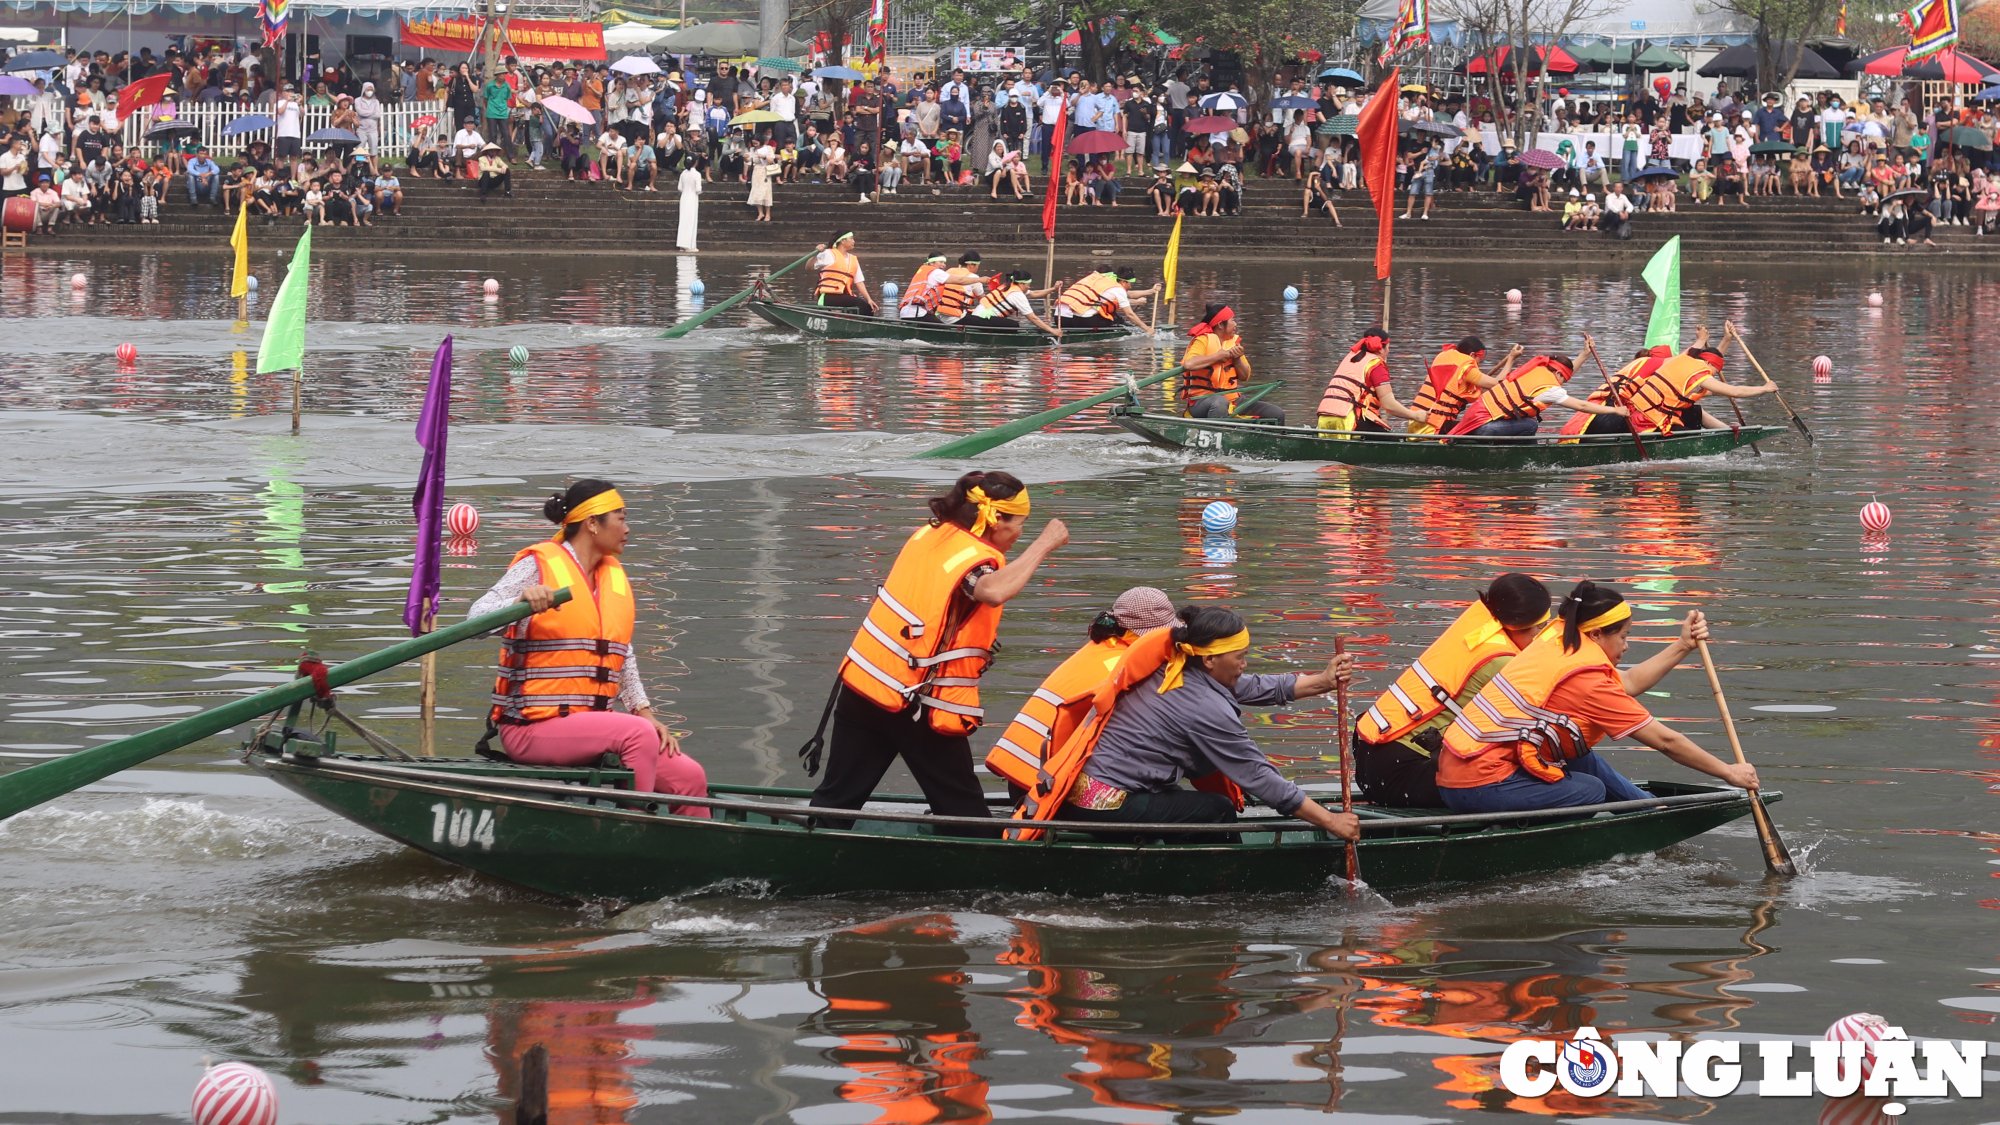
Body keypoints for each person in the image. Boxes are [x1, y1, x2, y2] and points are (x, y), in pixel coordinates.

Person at [808, 471, 1068, 831]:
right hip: (918, 705)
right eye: (1020, 524)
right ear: (996, 520)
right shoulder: (976, 559)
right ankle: (979, 875)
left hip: (866, 687)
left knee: (835, 801)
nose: (1019, 533)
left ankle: (804, 860)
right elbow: (991, 591)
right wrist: (1044, 544)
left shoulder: (930, 533)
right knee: (962, 812)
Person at [1006, 604, 1361, 843]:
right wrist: (1331, 822)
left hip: (1088, 789)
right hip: (1106, 802)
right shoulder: (1205, 708)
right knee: (1218, 809)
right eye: (1240, 658)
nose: (1244, 665)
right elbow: (1259, 776)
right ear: (1209, 660)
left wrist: (1323, 681)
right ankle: (1221, 888)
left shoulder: (1176, 667)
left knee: (1191, 801)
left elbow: (1251, 686)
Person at [470, 479, 710, 817]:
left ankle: (693, 858)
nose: (628, 528)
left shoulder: (610, 577)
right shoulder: (538, 566)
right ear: (592, 524)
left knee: (689, 775)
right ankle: (631, 831)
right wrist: (519, 600)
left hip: (589, 725)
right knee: (636, 734)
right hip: (530, 728)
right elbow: (476, 617)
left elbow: (620, 653)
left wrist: (643, 709)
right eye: (621, 518)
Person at [1437, 581, 1760, 813]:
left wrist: (1682, 645)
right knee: (1590, 788)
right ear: (1595, 634)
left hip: (1464, 772)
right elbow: (1666, 742)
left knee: (1579, 755)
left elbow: (1629, 682)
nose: (1626, 646)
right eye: (1623, 636)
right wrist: (1729, 773)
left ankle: (1648, 810)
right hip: (1478, 785)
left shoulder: (1559, 645)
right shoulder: (1587, 680)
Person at [1353, 573, 1552, 809]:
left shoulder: (1475, 631)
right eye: (1539, 629)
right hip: (1403, 772)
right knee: (1525, 775)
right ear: (1517, 624)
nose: (1542, 639)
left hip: (1369, 760)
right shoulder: (1501, 663)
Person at [984, 586, 1178, 795]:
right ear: (1152, 635)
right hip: (1044, 784)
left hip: (1022, 771)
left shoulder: (1101, 649)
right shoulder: (1126, 669)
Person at [1621, 326, 1779, 435]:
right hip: (1646, 421)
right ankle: (1724, 435)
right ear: (1709, 365)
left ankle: (1730, 432)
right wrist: (1764, 388)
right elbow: (1735, 391)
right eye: (1714, 373)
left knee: (1694, 411)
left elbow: (1713, 361)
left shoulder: (1684, 362)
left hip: (1640, 414)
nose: (1711, 376)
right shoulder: (1698, 372)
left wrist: (1726, 339)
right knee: (1690, 423)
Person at [1446, 352, 1627, 437]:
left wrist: (1584, 354)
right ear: (1557, 374)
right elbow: (1582, 406)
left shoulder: (1535, 370)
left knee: (1526, 422)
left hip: (1472, 421)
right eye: (1563, 379)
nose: (1563, 382)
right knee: (1530, 424)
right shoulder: (1550, 388)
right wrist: (1615, 411)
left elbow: (1566, 371)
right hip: (1484, 429)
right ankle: (1519, 457)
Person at [1180, 303, 1285, 425]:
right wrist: (1218, 356)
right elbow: (1188, 364)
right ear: (1220, 324)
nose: (1235, 324)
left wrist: (1238, 358)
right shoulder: (1202, 340)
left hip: (1234, 400)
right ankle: (1218, 440)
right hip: (1201, 402)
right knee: (1219, 403)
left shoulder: (1233, 342)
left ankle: (1272, 442)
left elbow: (1245, 376)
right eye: (1232, 320)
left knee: (1276, 413)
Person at [1316, 327, 1425, 433]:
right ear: (1381, 349)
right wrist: (1414, 415)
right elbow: (1389, 405)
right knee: (1394, 441)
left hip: (1324, 419)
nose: (1389, 351)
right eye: (1388, 347)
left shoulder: (1351, 356)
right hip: (1349, 419)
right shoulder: (1376, 365)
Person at [1409, 337, 1514, 434]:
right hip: (1434, 427)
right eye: (1479, 361)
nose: (1478, 365)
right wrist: (1511, 359)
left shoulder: (1444, 359)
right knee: (1485, 427)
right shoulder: (1466, 367)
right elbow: (1497, 384)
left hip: (1415, 425)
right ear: (1472, 355)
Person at [1053, 266, 1155, 332]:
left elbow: (1128, 295)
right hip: (1076, 320)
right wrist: (1147, 329)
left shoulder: (1091, 281)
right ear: (1124, 282)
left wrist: (1151, 291)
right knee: (1114, 318)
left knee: (1110, 312)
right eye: (1130, 284)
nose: (1131, 287)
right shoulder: (1117, 288)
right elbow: (1130, 314)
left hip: (1058, 319)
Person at [969, 268, 1062, 335]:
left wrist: (1054, 289)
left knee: (1009, 323)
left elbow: (1034, 293)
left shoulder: (1008, 286)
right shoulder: (1017, 295)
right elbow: (1033, 318)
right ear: (1021, 283)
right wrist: (1052, 330)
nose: (1029, 287)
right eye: (1028, 285)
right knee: (1014, 325)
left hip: (977, 317)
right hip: (983, 319)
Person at [812, 230, 878, 313]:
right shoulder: (828, 253)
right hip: (828, 296)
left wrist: (869, 299)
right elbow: (809, 267)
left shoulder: (853, 259)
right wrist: (816, 253)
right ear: (843, 241)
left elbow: (859, 282)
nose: (854, 241)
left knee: (868, 307)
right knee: (861, 305)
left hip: (843, 296)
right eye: (851, 239)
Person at [899, 253, 951, 319]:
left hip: (905, 312)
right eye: (941, 262)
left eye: (944, 262)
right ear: (932, 263)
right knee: (945, 327)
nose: (944, 265)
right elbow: (960, 280)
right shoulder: (936, 272)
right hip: (917, 312)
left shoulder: (923, 272)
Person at [676, 157, 702, 251]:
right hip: (692, 197)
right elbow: (698, 190)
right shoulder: (697, 174)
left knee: (683, 220)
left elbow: (680, 188)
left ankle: (682, 244)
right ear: (695, 163)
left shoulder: (683, 173)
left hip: (684, 197)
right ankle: (690, 245)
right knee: (691, 220)